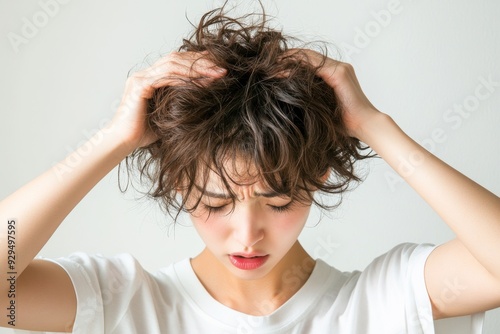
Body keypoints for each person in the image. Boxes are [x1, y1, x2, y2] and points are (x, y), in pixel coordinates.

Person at [1, 4, 499, 334]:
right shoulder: (124, 304)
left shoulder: (382, 302)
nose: (248, 235)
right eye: (216, 202)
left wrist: (372, 125)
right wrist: (115, 139)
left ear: (318, 176)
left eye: (278, 201)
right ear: (178, 183)